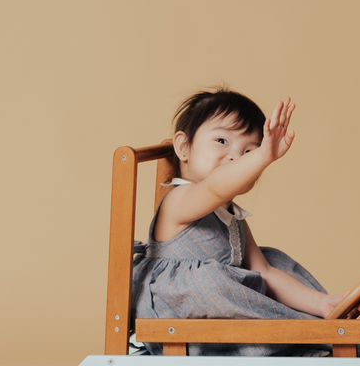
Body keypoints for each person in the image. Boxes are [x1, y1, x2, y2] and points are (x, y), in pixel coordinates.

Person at [131, 86, 345, 356]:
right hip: (181, 311)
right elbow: (214, 188)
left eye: (248, 151)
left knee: (274, 265)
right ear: (184, 148)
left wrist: (322, 303)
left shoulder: (230, 213)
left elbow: (264, 272)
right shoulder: (179, 199)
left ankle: (313, 327)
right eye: (222, 141)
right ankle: (300, 339)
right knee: (214, 283)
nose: (235, 156)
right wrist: (262, 156)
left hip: (221, 315)